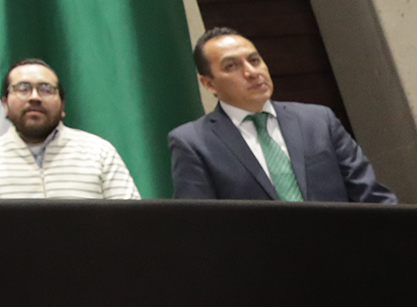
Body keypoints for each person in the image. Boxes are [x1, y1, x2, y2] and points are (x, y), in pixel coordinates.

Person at [168, 27, 396, 203]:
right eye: (231, 66)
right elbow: (200, 226)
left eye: (254, 60)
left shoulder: (318, 121)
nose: (251, 72)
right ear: (208, 84)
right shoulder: (193, 142)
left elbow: (370, 196)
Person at [0, 58, 138, 199]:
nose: (34, 97)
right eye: (23, 89)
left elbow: (131, 222)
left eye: (46, 90)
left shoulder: (100, 153)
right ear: (5, 103)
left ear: (62, 106)